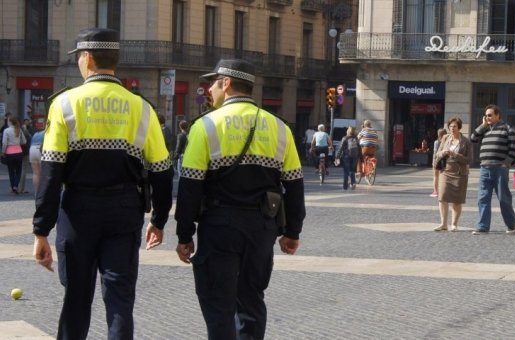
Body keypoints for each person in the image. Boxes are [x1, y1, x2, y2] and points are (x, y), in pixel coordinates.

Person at [31, 28, 173, 339]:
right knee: (120, 299)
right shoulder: (142, 108)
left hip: (78, 211)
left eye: (79, 57)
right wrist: (159, 220)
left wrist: (41, 230)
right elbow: (162, 171)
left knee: (76, 298)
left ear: (87, 58)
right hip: (124, 210)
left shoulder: (66, 104)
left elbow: (52, 172)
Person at [175, 59, 306, 339]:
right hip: (261, 228)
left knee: (218, 302)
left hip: (219, 225)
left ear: (227, 83)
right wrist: (291, 231)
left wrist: (185, 234)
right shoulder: (279, 127)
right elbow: (294, 185)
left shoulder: (206, 125)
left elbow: (190, 187)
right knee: (251, 300)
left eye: (213, 82)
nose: (209, 88)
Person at [469, 104, 515, 235]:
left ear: (498, 115)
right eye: (486, 115)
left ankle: (511, 225)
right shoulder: (485, 129)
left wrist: (507, 163)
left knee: (503, 198)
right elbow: (473, 138)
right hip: (485, 168)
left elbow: (514, 147)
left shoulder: (508, 128)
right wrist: (483, 125)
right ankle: (483, 226)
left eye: (490, 115)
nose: (487, 117)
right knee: (483, 198)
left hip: (500, 169)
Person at [433, 118, 470, 231]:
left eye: (454, 126)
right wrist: (443, 153)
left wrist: (455, 155)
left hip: (459, 173)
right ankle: (443, 224)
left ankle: (454, 224)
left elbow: (469, 159)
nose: (452, 129)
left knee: (457, 200)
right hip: (446, 171)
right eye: (450, 126)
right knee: (442, 197)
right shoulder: (445, 138)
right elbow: (437, 153)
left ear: (459, 127)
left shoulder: (466, 141)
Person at [1, 115, 26, 194]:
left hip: (9, 153)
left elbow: (4, 143)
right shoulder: (19, 129)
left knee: (11, 171)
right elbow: (24, 141)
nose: (7, 122)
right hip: (19, 152)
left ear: (10, 122)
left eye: (8, 121)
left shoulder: (6, 130)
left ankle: (13, 187)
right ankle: (15, 186)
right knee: (18, 171)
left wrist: (3, 152)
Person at [335, 126, 361, 190]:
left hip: (346, 156)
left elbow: (340, 148)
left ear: (348, 131)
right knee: (352, 170)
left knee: (346, 171)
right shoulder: (356, 138)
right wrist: (360, 157)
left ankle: (345, 186)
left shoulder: (345, 138)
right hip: (355, 156)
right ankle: (353, 183)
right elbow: (359, 148)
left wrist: (337, 157)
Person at [430, 128, 447, 197]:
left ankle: (435, 191)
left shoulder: (436, 142)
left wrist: (433, 162)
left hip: (437, 160)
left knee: (435, 176)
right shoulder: (447, 142)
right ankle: (442, 190)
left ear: (438, 134)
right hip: (444, 161)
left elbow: (435, 152)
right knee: (442, 176)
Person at [29, 125, 45, 195]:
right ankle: (43, 192)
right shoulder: (47, 133)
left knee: (35, 173)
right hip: (40, 150)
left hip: (32, 149)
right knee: (43, 173)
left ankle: (36, 192)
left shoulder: (36, 134)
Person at [18, 118, 33, 193]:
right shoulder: (25, 131)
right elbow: (29, 138)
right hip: (24, 152)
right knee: (23, 170)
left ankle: (15, 187)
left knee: (18, 170)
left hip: (18, 152)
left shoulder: (18, 130)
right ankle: (21, 188)